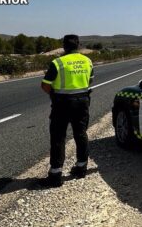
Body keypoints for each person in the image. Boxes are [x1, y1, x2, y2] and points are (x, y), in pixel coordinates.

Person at [40, 34, 93, 187]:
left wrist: (54, 94)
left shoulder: (57, 63)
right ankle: (82, 167)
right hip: (83, 102)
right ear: (78, 45)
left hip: (62, 103)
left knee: (58, 137)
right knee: (81, 134)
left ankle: (55, 174)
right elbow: (90, 81)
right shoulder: (87, 61)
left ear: (64, 46)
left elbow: (45, 85)